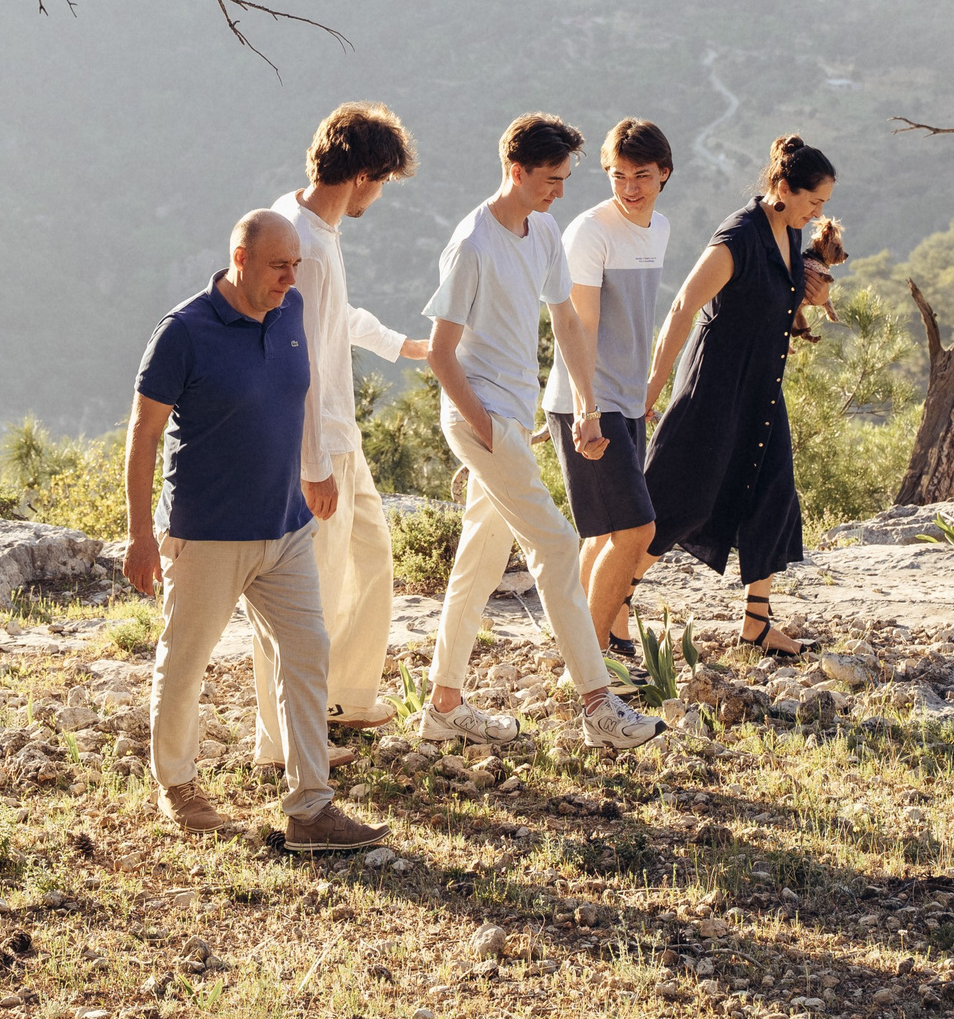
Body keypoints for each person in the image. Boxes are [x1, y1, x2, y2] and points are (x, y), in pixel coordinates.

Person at [123, 209, 389, 850]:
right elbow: (143, 433)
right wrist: (138, 533)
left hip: (286, 527)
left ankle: (309, 808)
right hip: (208, 534)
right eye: (279, 265)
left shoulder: (291, 310)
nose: (291, 277)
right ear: (240, 259)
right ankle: (177, 786)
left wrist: (314, 470)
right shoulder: (183, 332)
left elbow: (300, 400)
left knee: (306, 651)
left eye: (296, 265)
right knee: (186, 659)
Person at [418, 114, 665, 750]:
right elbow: (442, 354)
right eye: (550, 179)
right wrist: (485, 429)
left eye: (564, 179)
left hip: (513, 420)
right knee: (556, 547)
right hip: (483, 418)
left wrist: (586, 405)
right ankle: (599, 706)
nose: (560, 191)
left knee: (476, 563)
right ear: (516, 170)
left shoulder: (546, 229)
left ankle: (443, 707)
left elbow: (568, 324)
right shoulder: (472, 244)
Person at [253, 103, 434, 774]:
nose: (381, 195)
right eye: (383, 180)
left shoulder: (315, 228)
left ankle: (343, 698)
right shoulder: (299, 236)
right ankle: (280, 742)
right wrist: (313, 464)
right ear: (365, 172)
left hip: (338, 437)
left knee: (371, 555)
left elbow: (335, 320)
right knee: (306, 592)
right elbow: (296, 358)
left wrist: (401, 345)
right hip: (315, 443)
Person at [641, 133, 836, 657]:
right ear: (781, 187)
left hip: (761, 388)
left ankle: (756, 624)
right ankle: (614, 604)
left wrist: (808, 289)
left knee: (773, 492)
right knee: (680, 496)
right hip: (714, 387)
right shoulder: (738, 237)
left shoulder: (790, 233)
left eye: (823, 204)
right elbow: (683, 306)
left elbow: (770, 296)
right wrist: (653, 386)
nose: (818, 213)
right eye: (813, 201)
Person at [542, 119, 672, 665]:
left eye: (641, 175)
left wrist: (644, 386)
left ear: (664, 174)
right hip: (587, 403)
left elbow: (637, 320)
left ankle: (576, 647)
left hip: (625, 400)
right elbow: (582, 326)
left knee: (601, 535)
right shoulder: (589, 232)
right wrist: (588, 408)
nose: (629, 188)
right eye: (617, 176)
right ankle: (590, 660)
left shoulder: (659, 227)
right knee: (637, 529)